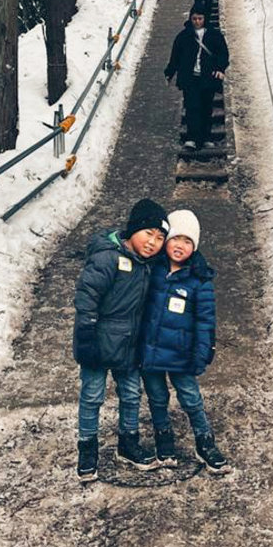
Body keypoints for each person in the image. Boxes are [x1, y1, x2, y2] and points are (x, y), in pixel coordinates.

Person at [73, 197, 170, 482]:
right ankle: (87, 449)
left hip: (130, 343)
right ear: (132, 230)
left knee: (131, 394)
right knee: (92, 396)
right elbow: (87, 298)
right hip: (99, 340)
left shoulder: (149, 265)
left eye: (159, 238)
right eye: (148, 233)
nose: (152, 242)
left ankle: (128, 443)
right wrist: (87, 336)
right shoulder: (108, 258)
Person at [140, 208, 229, 473]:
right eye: (175, 239)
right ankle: (164, 438)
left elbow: (205, 322)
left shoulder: (199, 280)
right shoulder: (151, 270)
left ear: (195, 247)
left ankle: (205, 441)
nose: (180, 246)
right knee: (157, 397)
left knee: (191, 398)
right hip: (150, 351)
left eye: (187, 241)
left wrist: (202, 353)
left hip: (182, 354)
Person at [164, 5, 229, 150]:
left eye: (200, 19)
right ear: (190, 18)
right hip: (190, 78)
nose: (197, 22)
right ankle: (192, 138)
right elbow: (175, 56)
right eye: (194, 19)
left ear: (205, 19)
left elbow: (223, 53)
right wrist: (169, 72)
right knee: (192, 107)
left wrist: (220, 68)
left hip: (207, 77)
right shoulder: (183, 36)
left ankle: (206, 137)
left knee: (206, 107)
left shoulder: (214, 35)